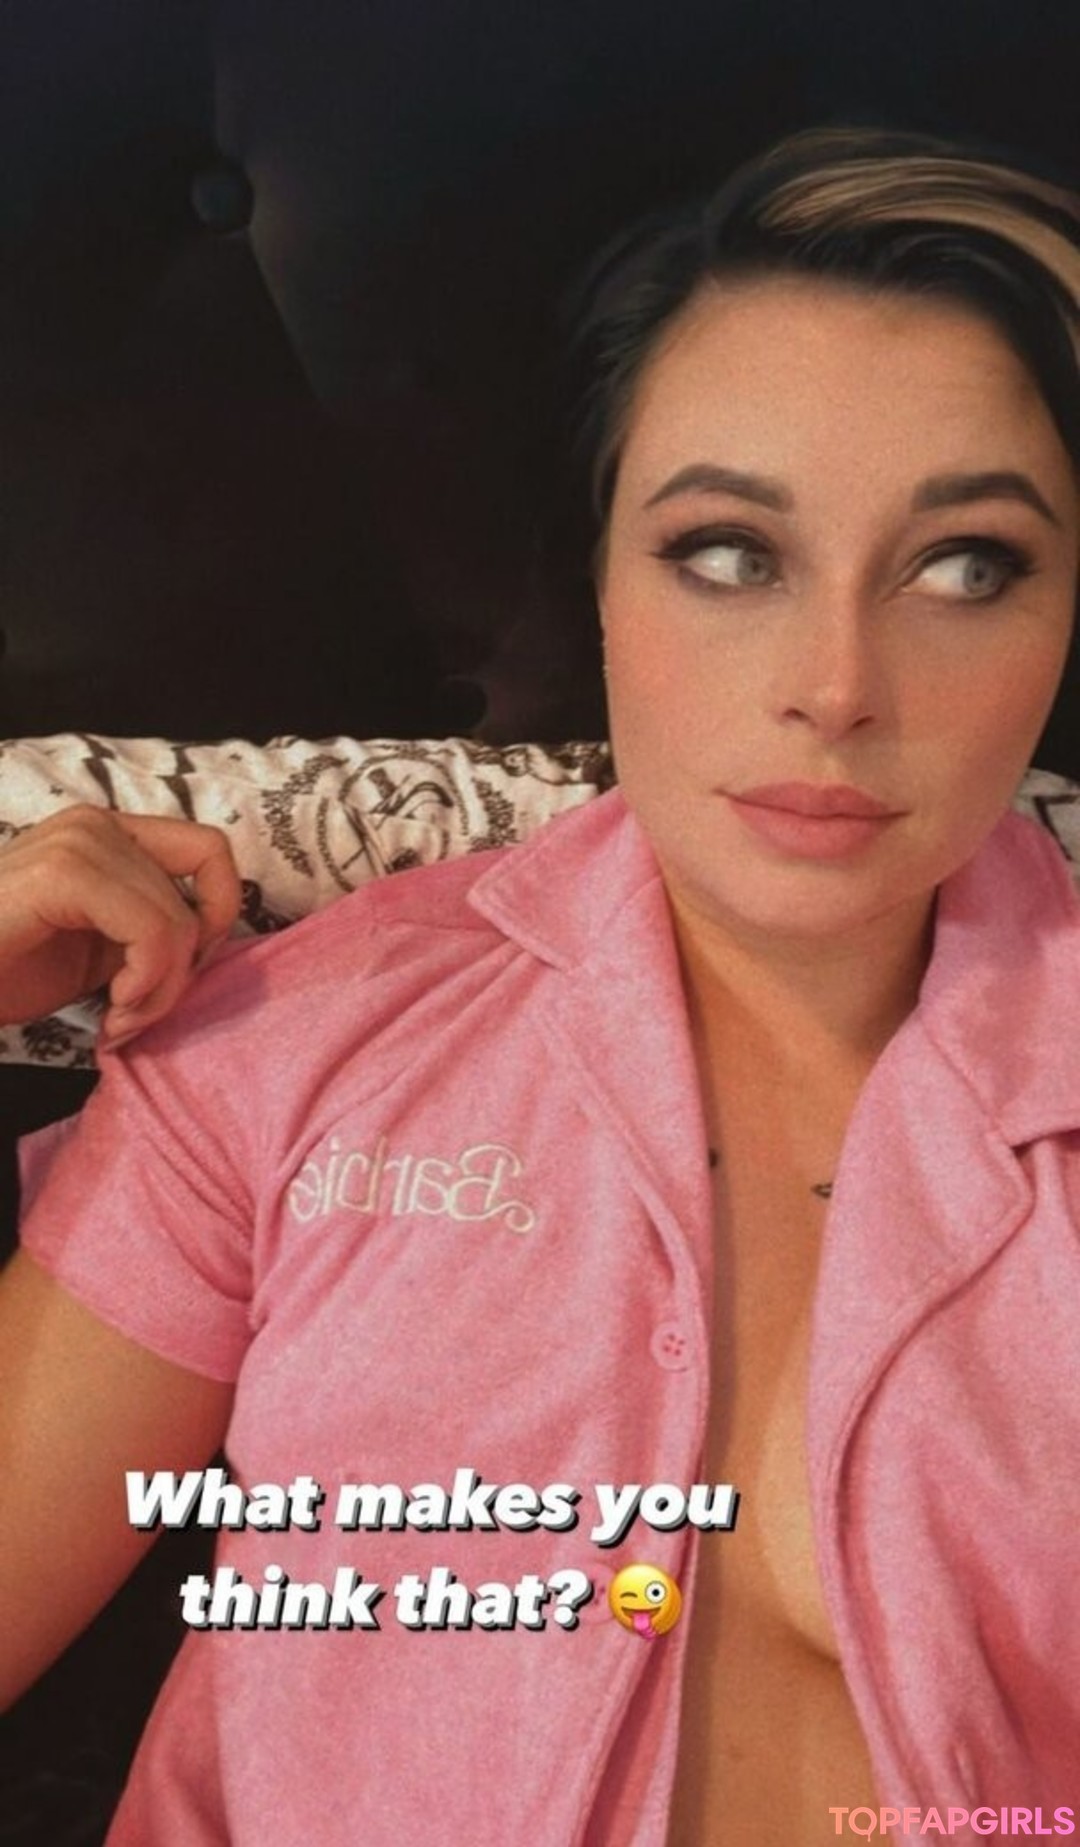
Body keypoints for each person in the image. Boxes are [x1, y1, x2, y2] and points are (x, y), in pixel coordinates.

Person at [3, 124, 1080, 1845]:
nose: (835, 685)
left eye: (968, 564)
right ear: (599, 580)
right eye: (728, 551)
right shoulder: (292, 1049)